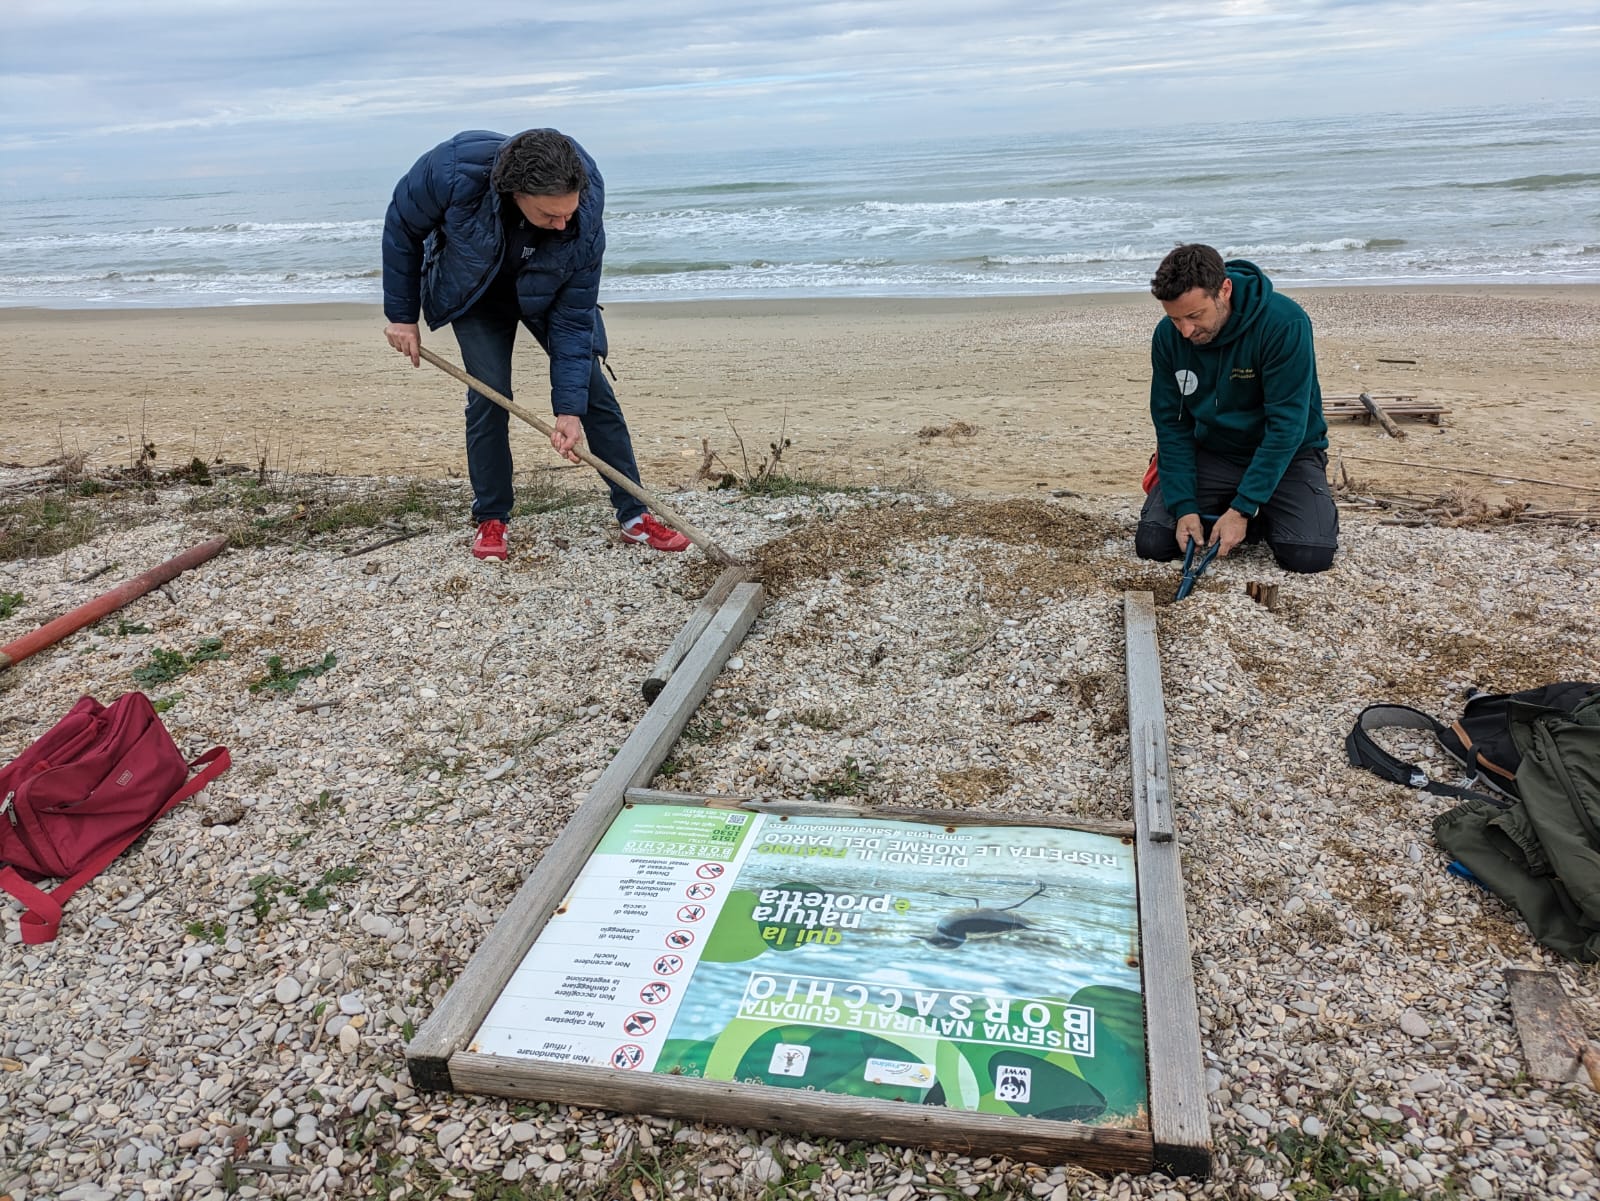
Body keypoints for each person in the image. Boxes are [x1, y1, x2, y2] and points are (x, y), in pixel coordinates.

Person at [381, 128, 689, 560]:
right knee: (490, 396)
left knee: (593, 393)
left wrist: (568, 411)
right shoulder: (451, 170)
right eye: (550, 215)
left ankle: (635, 514)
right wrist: (402, 315)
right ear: (515, 193)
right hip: (475, 294)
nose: (563, 223)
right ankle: (492, 517)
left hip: (550, 291)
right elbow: (402, 226)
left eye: (568, 213)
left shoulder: (584, 209)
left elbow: (575, 318)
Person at [1136, 243, 1338, 574]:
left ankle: (1259, 513)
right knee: (1154, 542)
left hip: (1290, 455)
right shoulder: (1168, 337)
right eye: (1174, 319)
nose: (1185, 331)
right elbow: (1172, 425)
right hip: (1215, 451)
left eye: (1194, 316)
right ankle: (1236, 510)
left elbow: (1287, 426)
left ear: (1225, 290)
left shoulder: (1284, 323)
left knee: (1308, 555)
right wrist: (1184, 506)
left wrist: (1243, 508)